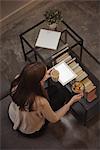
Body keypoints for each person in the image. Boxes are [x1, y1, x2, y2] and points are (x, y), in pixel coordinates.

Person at [8, 62, 83, 137]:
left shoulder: (17, 81)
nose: (47, 74)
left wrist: (45, 75)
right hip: (29, 129)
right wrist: (71, 102)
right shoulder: (40, 102)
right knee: (60, 97)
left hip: (13, 115)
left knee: (54, 89)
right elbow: (54, 118)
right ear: (39, 82)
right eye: (44, 76)